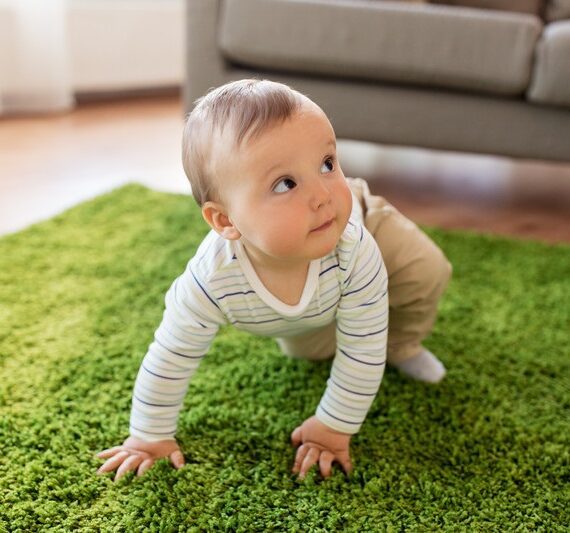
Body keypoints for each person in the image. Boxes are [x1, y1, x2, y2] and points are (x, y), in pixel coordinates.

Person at [95, 79, 452, 482]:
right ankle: (324, 317)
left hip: (365, 223)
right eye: (286, 184)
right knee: (313, 350)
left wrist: (333, 426)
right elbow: (171, 356)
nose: (322, 194)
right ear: (226, 221)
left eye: (327, 163)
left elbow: (363, 344)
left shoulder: (356, 247)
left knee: (427, 270)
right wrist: (149, 435)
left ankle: (403, 343)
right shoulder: (209, 281)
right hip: (310, 297)